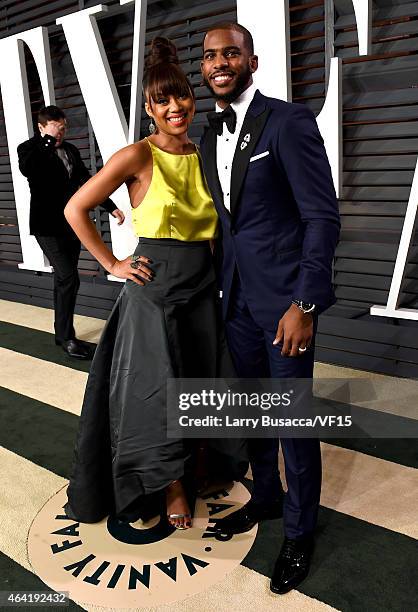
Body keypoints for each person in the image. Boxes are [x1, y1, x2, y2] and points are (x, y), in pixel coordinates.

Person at [63, 37, 247, 530]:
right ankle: (171, 486)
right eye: (162, 101)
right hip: (155, 293)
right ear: (149, 108)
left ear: (193, 96)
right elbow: (75, 208)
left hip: (203, 289)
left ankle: (201, 468)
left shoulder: (207, 150)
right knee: (158, 394)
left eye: (181, 96)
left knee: (201, 384)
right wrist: (113, 262)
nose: (174, 107)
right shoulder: (136, 156)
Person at [200, 22, 340, 593]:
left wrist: (304, 302)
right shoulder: (209, 133)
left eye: (231, 53)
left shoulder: (289, 121)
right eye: (210, 56)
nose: (219, 63)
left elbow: (322, 217)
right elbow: (229, 225)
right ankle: (267, 498)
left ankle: (301, 531)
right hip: (235, 303)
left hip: (285, 305)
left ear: (251, 61)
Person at [17, 106, 125, 359]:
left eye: (64, 128)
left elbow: (86, 182)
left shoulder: (71, 151)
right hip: (46, 226)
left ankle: (60, 332)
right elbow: (28, 169)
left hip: (72, 224)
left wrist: (110, 206)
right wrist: (47, 140)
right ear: (42, 127)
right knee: (69, 278)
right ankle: (67, 338)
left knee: (64, 280)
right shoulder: (30, 149)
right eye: (56, 127)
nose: (61, 132)